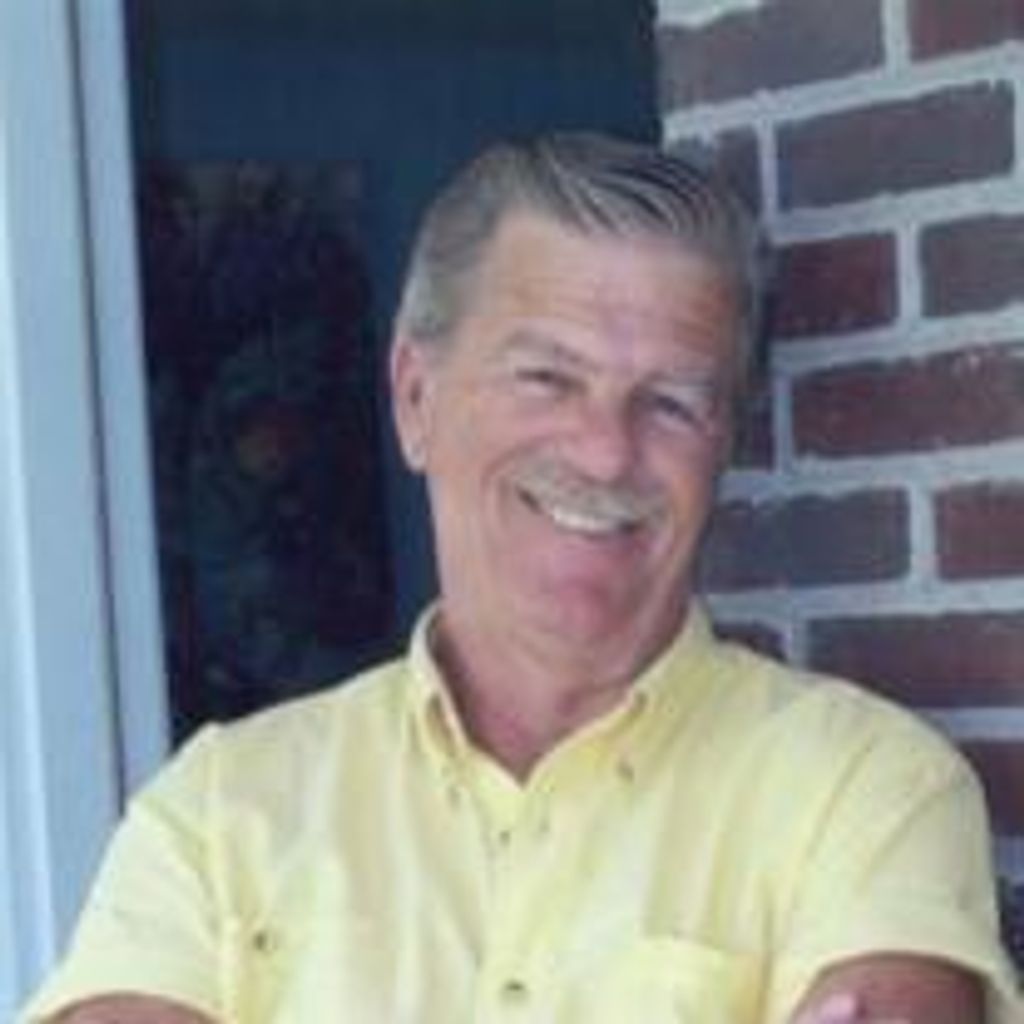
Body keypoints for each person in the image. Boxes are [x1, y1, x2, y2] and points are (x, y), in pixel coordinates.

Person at [22, 133, 1021, 1024]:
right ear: (416, 397)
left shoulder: (865, 790)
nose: (603, 451)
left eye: (671, 402)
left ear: (724, 442)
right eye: (547, 378)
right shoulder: (213, 812)